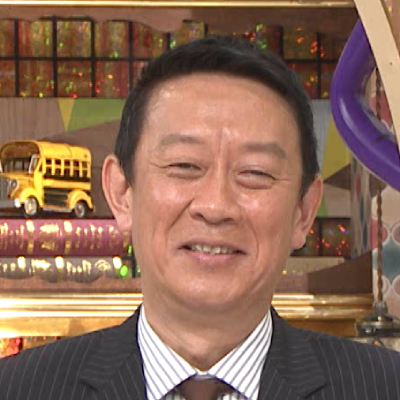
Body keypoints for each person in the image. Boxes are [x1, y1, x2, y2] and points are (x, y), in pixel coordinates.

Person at [0, 36, 399, 400]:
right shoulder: (18, 389)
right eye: (184, 165)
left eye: (255, 172)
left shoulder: (385, 387)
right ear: (121, 193)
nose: (215, 205)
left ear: (304, 211)